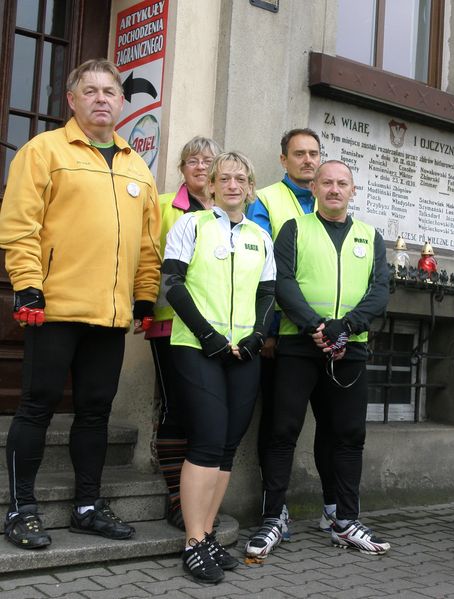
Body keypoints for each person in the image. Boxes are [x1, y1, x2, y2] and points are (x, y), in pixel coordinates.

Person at [0, 59, 160, 550]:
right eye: (89, 90)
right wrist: (28, 285)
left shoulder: (137, 166)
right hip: (53, 309)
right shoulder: (43, 151)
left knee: (95, 413)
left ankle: (87, 506)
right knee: (36, 408)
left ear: (121, 101)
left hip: (110, 315)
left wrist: (145, 297)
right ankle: (22, 510)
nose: (101, 99)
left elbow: (149, 245)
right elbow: (20, 224)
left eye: (110, 91)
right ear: (72, 100)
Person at [245, 160, 390, 558]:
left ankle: (345, 520)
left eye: (342, 183)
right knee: (282, 432)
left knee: (348, 436)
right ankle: (273, 518)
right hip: (298, 347)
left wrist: (345, 327)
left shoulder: (369, 236)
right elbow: (283, 283)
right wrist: (317, 326)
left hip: (350, 350)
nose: (334, 189)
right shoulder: (295, 229)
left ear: (353, 191)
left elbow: (380, 290)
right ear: (315, 188)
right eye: (327, 182)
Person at [162, 151, 275, 583]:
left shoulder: (259, 237)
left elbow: (267, 295)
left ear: (249, 187)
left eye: (240, 179)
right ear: (210, 185)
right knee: (207, 441)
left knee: (227, 445)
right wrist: (207, 334)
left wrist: (256, 338)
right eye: (223, 178)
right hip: (196, 346)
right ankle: (193, 543)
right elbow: (172, 285)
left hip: (241, 352)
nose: (232, 185)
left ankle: (207, 534)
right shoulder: (191, 225)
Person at [246, 128, 337, 536]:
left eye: (314, 153)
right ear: (283, 160)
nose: (308, 160)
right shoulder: (267, 200)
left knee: (332, 427)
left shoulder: (330, 200)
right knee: (278, 427)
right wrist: (265, 332)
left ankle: (335, 509)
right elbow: (261, 269)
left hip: (329, 338)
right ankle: (274, 510)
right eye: (299, 154)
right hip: (280, 336)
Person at [146, 136, 221, 530]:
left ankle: (196, 500)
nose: (201, 167)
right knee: (175, 409)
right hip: (169, 325)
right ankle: (177, 498)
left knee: (202, 413)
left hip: (214, 331)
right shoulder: (162, 206)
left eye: (209, 161)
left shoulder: (228, 211)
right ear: (181, 168)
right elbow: (147, 257)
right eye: (193, 160)